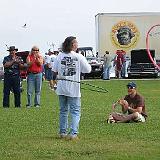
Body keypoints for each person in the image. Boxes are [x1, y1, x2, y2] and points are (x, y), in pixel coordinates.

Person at [52, 36, 91, 140]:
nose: (77, 44)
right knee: (75, 111)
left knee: (63, 111)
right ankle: (73, 134)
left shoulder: (60, 55)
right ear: (73, 44)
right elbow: (88, 70)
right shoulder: (79, 56)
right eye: (76, 42)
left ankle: (62, 132)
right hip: (73, 89)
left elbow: (54, 70)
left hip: (61, 88)